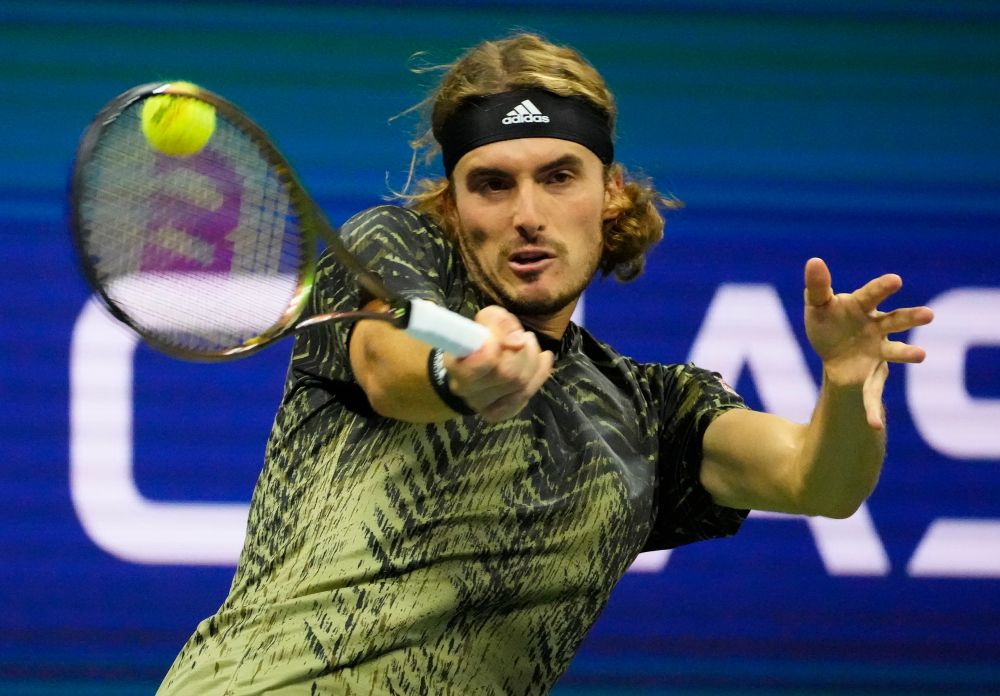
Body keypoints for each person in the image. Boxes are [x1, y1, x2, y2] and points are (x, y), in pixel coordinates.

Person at [158, 33, 934, 694]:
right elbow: (389, 362)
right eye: (492, 185)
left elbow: (818, 481)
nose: (527, 213)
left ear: (610, 193)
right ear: (453, 205)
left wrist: (840, 382)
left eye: (558, 175)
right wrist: (461, 378)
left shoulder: (649, 415)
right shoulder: (393, 249)